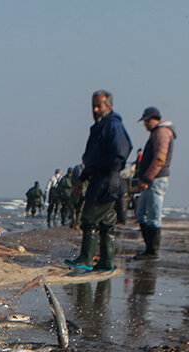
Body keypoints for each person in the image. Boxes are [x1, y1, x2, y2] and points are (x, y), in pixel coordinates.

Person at [65, 90, 132, 274]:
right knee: (107, 223)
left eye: (99, 106)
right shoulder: (101, 127)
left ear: (109, 107)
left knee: (89, 219)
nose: (95, 109)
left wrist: (111, 173)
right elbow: (92, 160)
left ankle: (86, 258)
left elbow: (122, 151)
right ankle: (106, 261)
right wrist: (81, 180)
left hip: (107, 180)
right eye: (93, 106)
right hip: (100, 177)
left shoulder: (113, 126)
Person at [132, 107, 176, 258]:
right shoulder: (158, 133)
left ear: (153, 119)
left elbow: (160, 159)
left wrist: (146, 178)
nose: (145, 125)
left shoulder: (161, 133)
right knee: (141, 214)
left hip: (156, 180)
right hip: (152, 179)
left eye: (146, 121)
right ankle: (149, 248)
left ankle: (152, 250)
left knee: (153, 215)